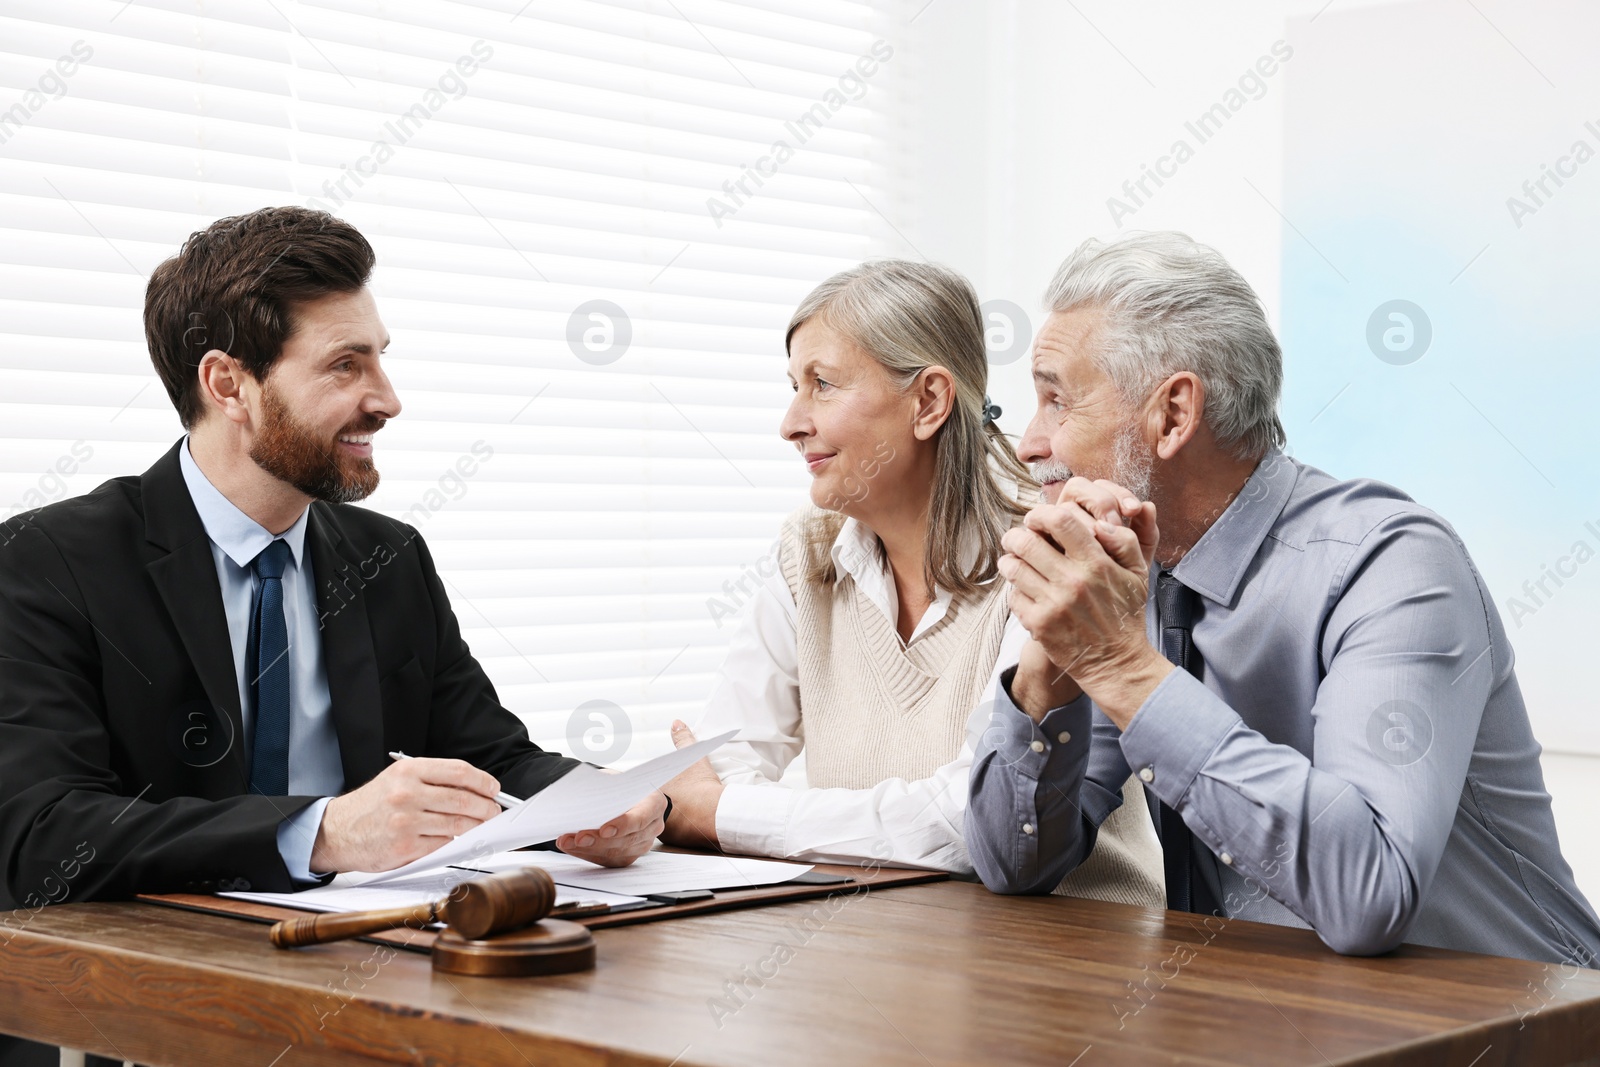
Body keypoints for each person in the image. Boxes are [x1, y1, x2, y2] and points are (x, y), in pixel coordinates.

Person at [0, 206, 664, 912]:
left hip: (373, 956)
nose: (387, 400)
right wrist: (323, 832)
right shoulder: (50, 563)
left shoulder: (389, 556)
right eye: (346, 365)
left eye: (380, 357)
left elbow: (491, 760)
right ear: (228, 385)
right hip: (149, 982)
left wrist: (595, 800)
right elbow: (40, 832)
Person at [964, 230, 1600, 966]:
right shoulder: (1131, 573)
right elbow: (1015, 864)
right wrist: (1048, 664)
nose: (1030, 442)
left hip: (1521, 1031)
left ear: (1172, 415)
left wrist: (1117, 664)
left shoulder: (1393, 563)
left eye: (1055, 400)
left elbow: (1368, 894)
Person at [660, 259, 1164, 906]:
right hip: (893, 955)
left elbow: (970, 823)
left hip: (1073, 974)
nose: (790, 422)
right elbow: (720, 769)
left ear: (927, 401)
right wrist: (720, 805)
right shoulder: (807, 554)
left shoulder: (1054, 554)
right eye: (793, 385)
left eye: (822, 384)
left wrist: (724, 812)